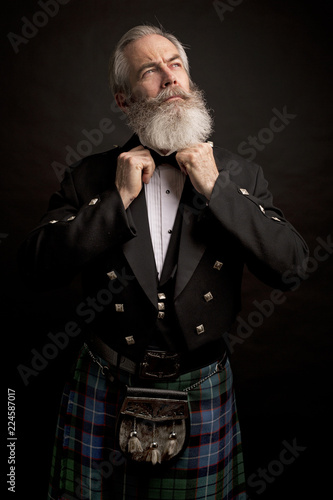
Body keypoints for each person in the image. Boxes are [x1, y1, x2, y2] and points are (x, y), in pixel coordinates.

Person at [19, 24, 309, 500]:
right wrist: (115, 201)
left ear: (189, 82)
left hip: (201, 385)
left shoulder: (238, 174)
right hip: (106, 381)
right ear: (123, 100)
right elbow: (33, 268)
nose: (169, 77)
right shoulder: (90, 177)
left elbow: (293, 266)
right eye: (150, 71)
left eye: (175, 65)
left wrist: (219, 192)